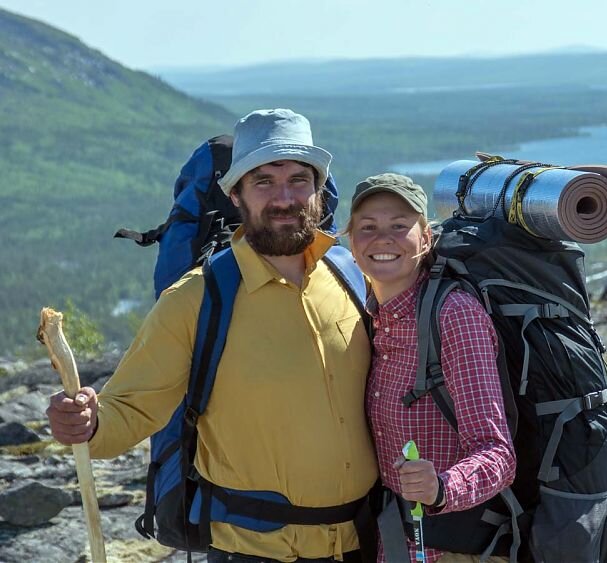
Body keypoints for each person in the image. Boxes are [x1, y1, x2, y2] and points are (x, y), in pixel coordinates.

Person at [46, 109, 379, 563]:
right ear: (235, 195)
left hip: (366, 542)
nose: (284, 197)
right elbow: (130, 408)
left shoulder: (352, 276)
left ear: (320, 191)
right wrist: (87, 422)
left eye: (299, 180)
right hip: (252, 551)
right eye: (263, 181)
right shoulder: (197, 298)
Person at [346, 173, 516, 563]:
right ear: (350, 241)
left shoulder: (454, 316)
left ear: (425, 238)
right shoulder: (371, 315)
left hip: (458, 547)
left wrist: (441, 488)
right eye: (367, 227)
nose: (382, 238)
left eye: (399, 226)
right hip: (397, 539)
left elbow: (497, 454)